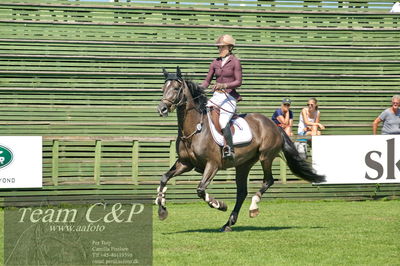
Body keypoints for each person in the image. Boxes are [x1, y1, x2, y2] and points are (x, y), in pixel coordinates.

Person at [201, 34, 242, 159]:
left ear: (229, 48)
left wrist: (223, 85)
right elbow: (207, 81)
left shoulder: (235, 62)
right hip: (217, 97)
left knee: (223, 121)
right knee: (202, 114)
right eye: (219, 47)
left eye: (222, 47)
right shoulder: (215, 62)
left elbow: (238, 82)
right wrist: (197, 88)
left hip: (229, 97)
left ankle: (229, 148)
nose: (220, 50)